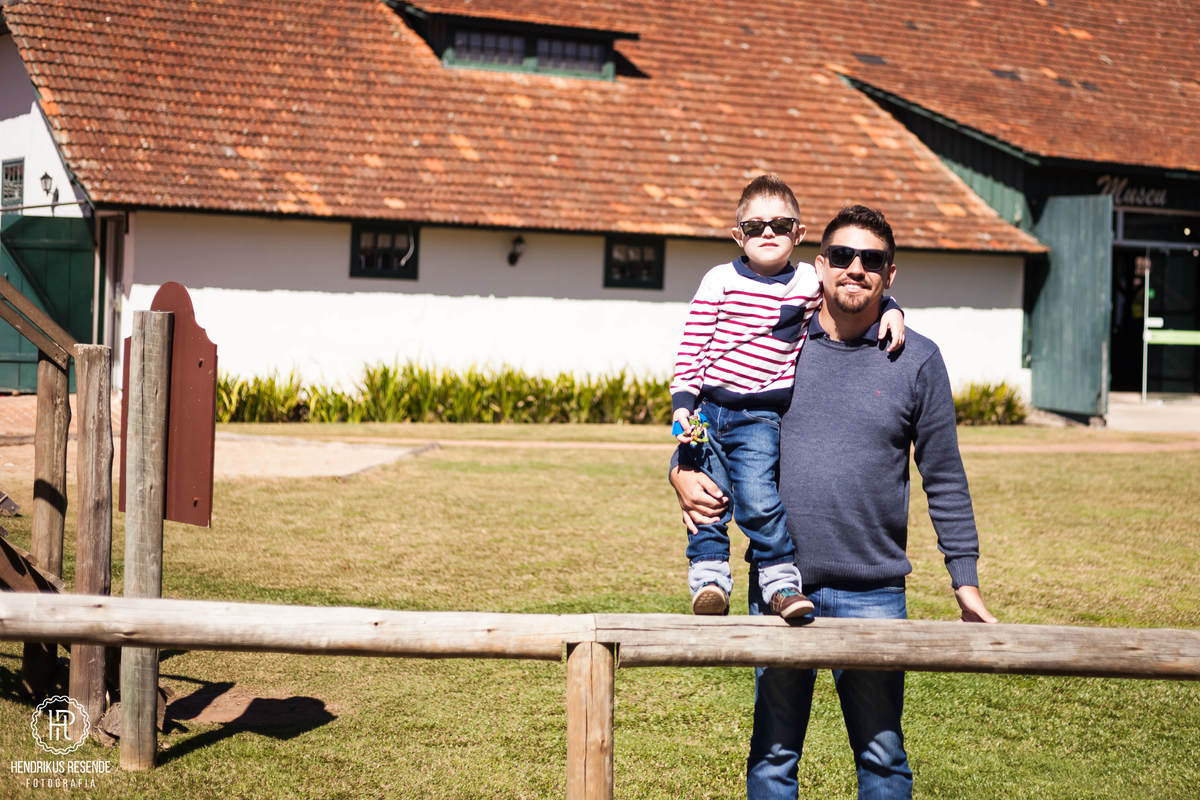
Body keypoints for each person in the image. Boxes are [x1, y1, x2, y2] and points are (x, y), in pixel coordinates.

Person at [670, 204, 998, 800]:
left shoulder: (916, 358)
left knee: (882, 756)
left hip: (874, 590)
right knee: (773, 754)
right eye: (842, 256)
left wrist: (965, 581)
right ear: (817, 265)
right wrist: (679, 469)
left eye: (871, 261)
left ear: (890, 275)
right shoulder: (777, 341)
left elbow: (944, 476)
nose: (856, 269)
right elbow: (718, 406)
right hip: (779, 584)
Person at [669, 176, 905, 619]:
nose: (768, 233)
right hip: (708, 407)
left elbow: (854, 293)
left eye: (780, 224)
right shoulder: (718, 280)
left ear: (799, 234)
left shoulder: (806, 281)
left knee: (758, 497)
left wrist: (892, 308)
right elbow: (692, 345)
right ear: (738, 235)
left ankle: (778, 578)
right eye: (755, 226)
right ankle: (709, 578)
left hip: (759, 414)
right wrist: (683, 404)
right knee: (708, 500)